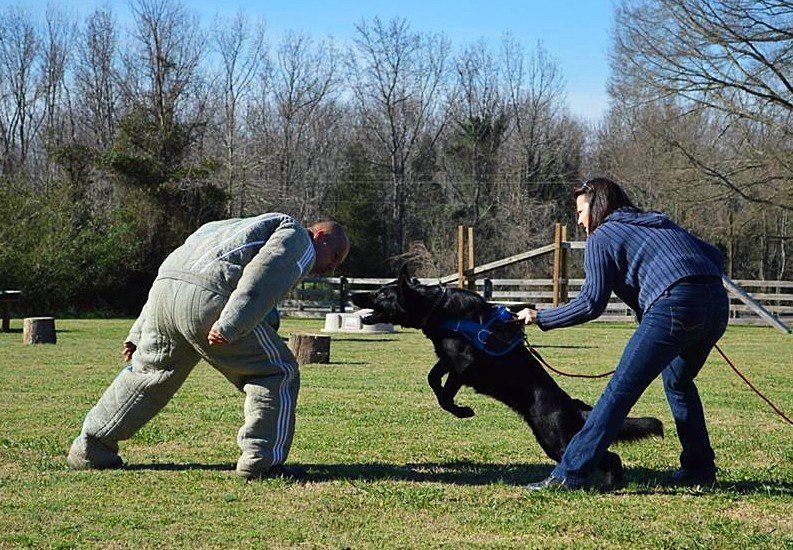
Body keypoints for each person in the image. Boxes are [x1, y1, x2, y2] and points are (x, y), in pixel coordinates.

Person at [67, 214, 349, 480]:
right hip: (210, 299)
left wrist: (138, 332)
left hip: (164, 302)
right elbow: (268, 272)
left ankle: (91, 449)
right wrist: (231, 324)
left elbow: (171, 270)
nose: (333, 266)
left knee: (146, 377)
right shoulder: (297, 234)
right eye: (335, 256)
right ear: (320, 235)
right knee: (277, 372)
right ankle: (262, 462)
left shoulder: (216, 228)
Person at [518, 178, 728, 490]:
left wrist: (539, 317)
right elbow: (714, 255)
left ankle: (570, 475)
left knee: (620, 392)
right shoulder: (658, 222)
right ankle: (700, 470)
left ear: (597, 204)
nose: (578, 220)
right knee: (679, 382)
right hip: (716, 304)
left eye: (580, 211)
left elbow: (591, 303)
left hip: (673, 307)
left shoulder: (602, 236)